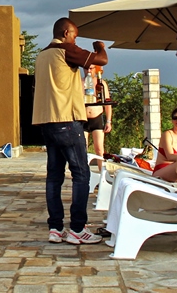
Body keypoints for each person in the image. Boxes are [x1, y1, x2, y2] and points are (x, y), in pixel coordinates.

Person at [33, 17, 108, 245]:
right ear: (66, 33)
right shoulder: (65, 50)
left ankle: (55, 228)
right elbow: (101, 60)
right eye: (75, 35)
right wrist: (99, 46)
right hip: (67, 120)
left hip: (46, 121)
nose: (76, 40)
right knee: (81, 174)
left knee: (54, 177)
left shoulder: (41, 55)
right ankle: (77, 228)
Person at [82, 65, 112, 166]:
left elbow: (107, 104)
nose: (88, 71)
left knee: (99, 149)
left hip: (97, 118)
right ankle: (83, 175)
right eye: (86, 68)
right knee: (82, 148)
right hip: (83, 118)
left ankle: (102, 175)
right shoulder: (80, 82)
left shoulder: (101, 83)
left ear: (95, 69)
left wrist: (108, 121)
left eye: (91, 68)